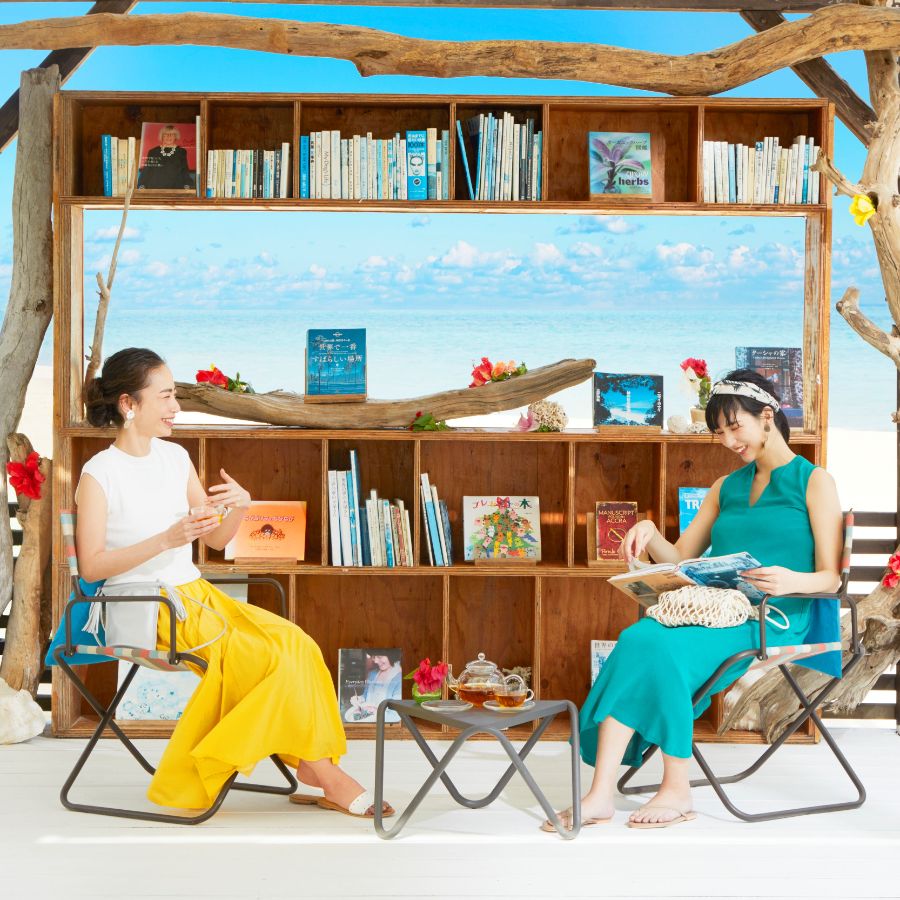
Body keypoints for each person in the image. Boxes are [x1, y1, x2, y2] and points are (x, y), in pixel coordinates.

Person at [78, 347, 393, 819]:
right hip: (145, 606)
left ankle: (313, 768)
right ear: (129, 404)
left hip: (197, 595)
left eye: (175, 396)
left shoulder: (176, 458)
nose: (175, 407)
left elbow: (215, 537)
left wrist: (241, 507)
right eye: (165, 397)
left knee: (296, 643)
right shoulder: (99, 474)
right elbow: (91, 568)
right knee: (260, 657)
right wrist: (166, 538)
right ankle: (323, 774)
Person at [544, 369, 842, 832]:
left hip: (775, 616)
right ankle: (600, 793)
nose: (728, 441)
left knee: (666, 650)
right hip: (712, 609)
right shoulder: (726, 487)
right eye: (719, 433)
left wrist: (790, 581)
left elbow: (831, 578)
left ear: (767, 415)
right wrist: (649, 532)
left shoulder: (814, 481)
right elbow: (682, 558)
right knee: (638, 638)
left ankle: (677, 788)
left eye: (734, 427)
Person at [343, 651, 403, 723]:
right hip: (366, 720)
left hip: (383, 725)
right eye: (374, 657)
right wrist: (360, 699)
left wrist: (375, 712)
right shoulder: (373, 674)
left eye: (379, 657)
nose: (375, 661)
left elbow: (396, 716)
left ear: (392, 655)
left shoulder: (400, 680)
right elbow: (365, 695)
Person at [138, 124, 194, 190]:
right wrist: (142, 184)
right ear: (162, 136)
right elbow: (147, 169)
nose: (168, 136)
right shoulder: (153, 151)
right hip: (155, 187)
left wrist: (187, 184)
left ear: (176, 137)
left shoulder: (181, 152)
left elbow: (184, 169)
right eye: (165, 134)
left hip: (176, 187)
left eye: (172, 134)